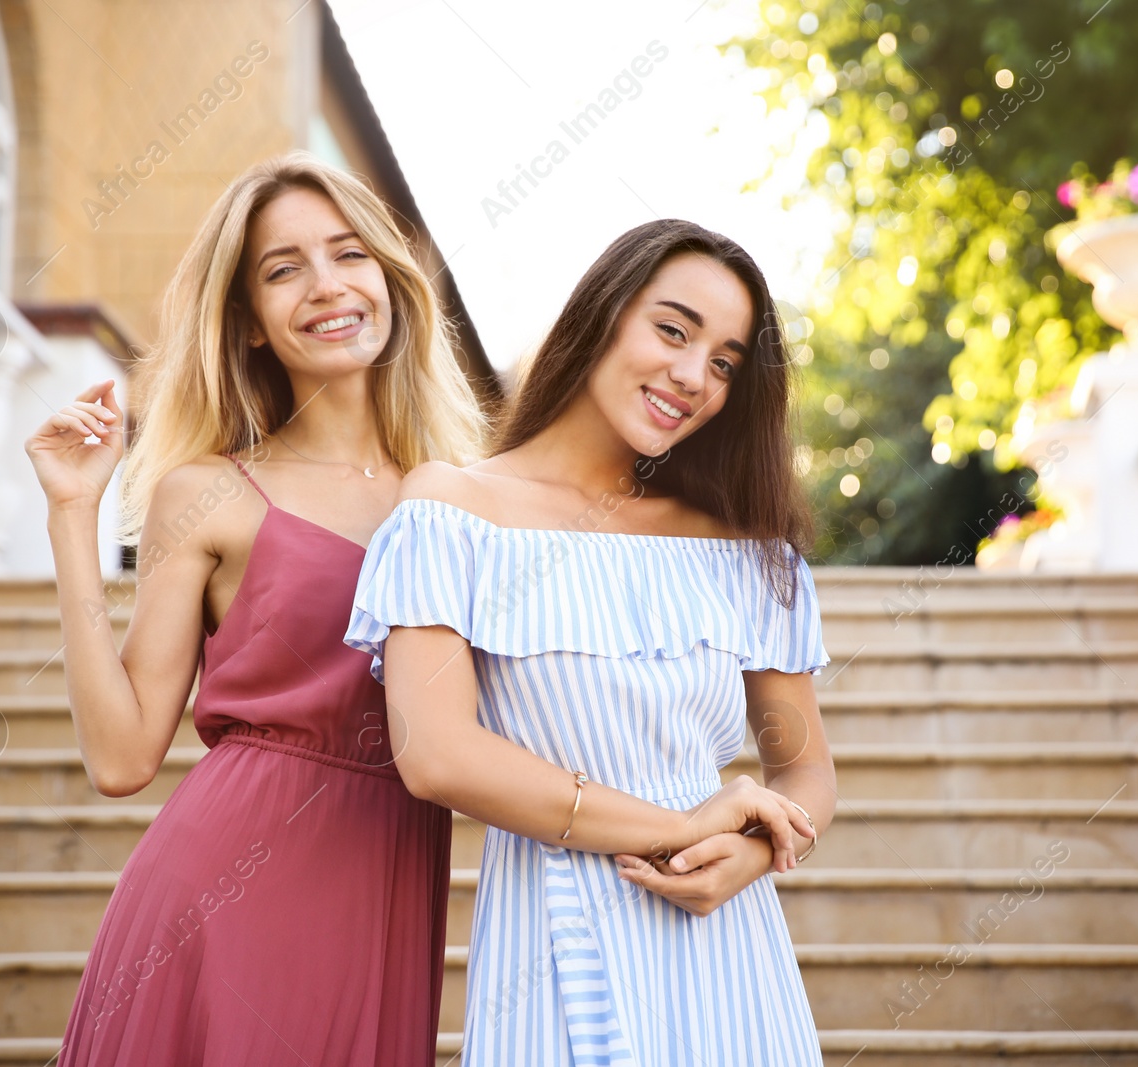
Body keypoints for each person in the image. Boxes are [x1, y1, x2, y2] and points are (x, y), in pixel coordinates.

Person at [23, 151, 486, 1065]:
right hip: (221, 890)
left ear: (389, 280)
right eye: (284, 269)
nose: (326, 285)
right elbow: (121, 757)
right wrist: (74, 515)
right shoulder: (211, 493)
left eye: (349, 254)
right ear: (248, 325)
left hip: (388, 882)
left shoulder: (466, 499)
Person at [344, 219, 833, 1065]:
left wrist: (749, 853)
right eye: (672, 330)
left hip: (726, 942)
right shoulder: (455, 511)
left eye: (723, 362)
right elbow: (437, 756)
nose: (692, 376)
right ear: (601, 314)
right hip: (553, 932)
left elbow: (804, 769)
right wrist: (677, 825)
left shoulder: (744, 549)